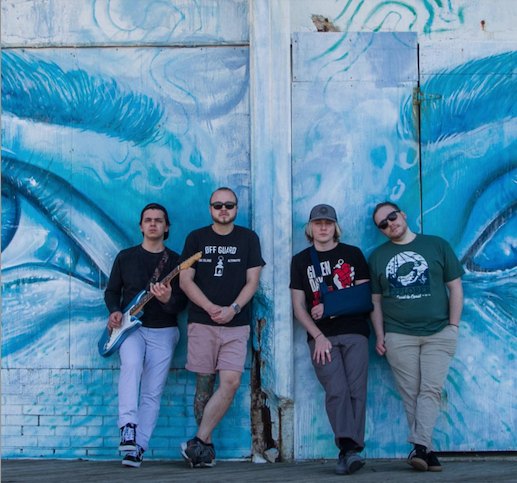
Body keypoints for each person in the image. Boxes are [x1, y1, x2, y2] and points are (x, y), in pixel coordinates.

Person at [369, 202, 464, 472]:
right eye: (383, 224)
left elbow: (456, 288)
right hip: (399, 335)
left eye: (392, 217)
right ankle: (425, 451)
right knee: (411, 394)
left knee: (431, 390)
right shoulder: (378, 257)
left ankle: (420, 448)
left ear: (403, 215)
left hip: (439, 333)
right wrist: (380, 335)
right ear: (381, 230)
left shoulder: (437, 245)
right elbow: (375, 301)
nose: (390, 224)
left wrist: (453, 327)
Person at [179, 187, 265, 468]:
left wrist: (233, 309)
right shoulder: (196, 238)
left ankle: (197, 441)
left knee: (231, 381)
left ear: (236, 208)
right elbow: (185, 280)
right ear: (210, 209)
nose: (223, 209)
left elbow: (252, 282)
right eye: (218, 205)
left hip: (236, 323)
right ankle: (205, 449)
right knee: (204, 385)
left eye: (229, 205)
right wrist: (210, 308)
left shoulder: (248, 238)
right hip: (202, 321)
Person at [290, 204, 371, 476]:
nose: (323, 227)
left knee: (357, 391)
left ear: (335, 227)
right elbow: (299, 306)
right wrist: (318, 336)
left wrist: (331, 307)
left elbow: (363, 297)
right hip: (321, 336)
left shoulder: (353, 254)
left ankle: (349, 451)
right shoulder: (301, 261)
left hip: (355, 331)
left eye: (328, 223)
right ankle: (349, 449)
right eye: (318, 223)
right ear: (310, 228)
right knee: (336, 390)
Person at [104, 203, 187, 468]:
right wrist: (114, 311)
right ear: (141, 226)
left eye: (158, 220)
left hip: (164, 330)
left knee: (152, 391)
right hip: (132, 329)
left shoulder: (177, 262)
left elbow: (182, 303)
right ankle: (127, 426)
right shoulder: (125, 257)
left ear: (166, 227)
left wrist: (167, 299)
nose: (153, 224)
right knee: (131, 365)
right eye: (148, 220)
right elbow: (111, 291)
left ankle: (138, 447)